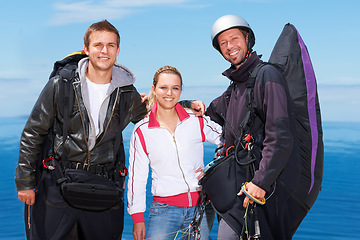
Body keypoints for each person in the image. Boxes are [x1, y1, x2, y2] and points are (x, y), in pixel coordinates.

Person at [14, 20, 149, 240]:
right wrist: (25, 182)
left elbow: (155, 118)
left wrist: (186, 105)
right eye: (98, 45)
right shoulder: (61, 85)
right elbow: (33, 132)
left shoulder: (127, 93)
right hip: (59, 183)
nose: (104, 51)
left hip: (103, 187)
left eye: (110, 45)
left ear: (118, 50)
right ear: (86, 49)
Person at [205, 15, 308, 239]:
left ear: (248, 39)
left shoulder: (266, 76)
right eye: (223, 43)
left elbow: (280, 135)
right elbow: (212, 111)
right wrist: (180, 105)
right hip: (239, 186)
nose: (230, 46)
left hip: (258, 188)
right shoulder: (238, 84)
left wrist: (260, 182)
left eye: (234, 38)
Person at [127, 66, 223, 240]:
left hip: (201, 207)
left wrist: (213, 170)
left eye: (175, 88)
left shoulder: (196, 120)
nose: (169, 93)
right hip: (164, 209)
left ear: (180, 91)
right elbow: (137, 177)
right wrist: (137, 216)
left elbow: (228, 142)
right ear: (154, 89)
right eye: (163, 87)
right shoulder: (142, 130)